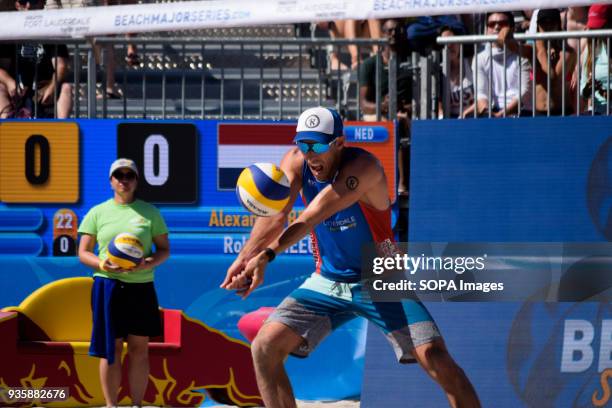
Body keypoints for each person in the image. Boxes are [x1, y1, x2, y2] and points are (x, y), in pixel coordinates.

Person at [221, 106, 481, 408]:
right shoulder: (296, 162)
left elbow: (311, 217)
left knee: (436, 357)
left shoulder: (364, 167)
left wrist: (266, 256)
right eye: (302, 144)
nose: (309, 154)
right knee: (264, 347)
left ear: (339, 143)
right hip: (328, 280)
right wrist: (245, 256)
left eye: (317, 145)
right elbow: (277, 216)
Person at [78, 158, 170, 408]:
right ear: (111, 181)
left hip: (141, 286)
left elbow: (164, 250)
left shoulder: (150, 212)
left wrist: (147, 263)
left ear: (136, 180)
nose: (124, 180)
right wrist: (102, 264)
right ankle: (111, 405)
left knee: (140, 350)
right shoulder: (97, 212)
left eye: (129, 175)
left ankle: (137, 404)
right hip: (107, 285)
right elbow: (83, 252)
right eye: (119, 175)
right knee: (111, 349)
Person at [358, 18, 411, 194]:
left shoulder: (412, 62)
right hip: (377, 114)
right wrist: (383, 106)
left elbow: (420, 98)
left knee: (401, 123)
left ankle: (403, 185)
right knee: (396, 124)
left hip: (405, 114)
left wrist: (406, 107)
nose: (393, 34)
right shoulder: (369, 65)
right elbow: (364, 105)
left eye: (396, 30)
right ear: (382, 34)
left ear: (403, 33)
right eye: (389, 31)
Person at [0, 0, 73, 118]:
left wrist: (52, 87)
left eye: (33, 1)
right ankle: (5, 130)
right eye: (24, 2)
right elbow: (2, 68)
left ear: (42, 4)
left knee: (66, 88)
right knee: (0, 88)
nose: (28, 6)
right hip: (17, 90)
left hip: (44, 89)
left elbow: (61, 66)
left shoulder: (51, 31)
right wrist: (9, 82)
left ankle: (62, 132)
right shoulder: (9, 31)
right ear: (17, 5)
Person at [463, 12, 532, 118]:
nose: (496, 27)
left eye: (502, 23)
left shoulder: (522, 53)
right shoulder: (479, 58)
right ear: (486, 30)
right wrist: (488, 112)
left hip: (522, 112)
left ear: (512, 28)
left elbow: (525, 92)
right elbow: (481, 93)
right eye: (491, 24)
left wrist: (501, 114)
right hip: (493, 111)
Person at [580, 4, 611, 115]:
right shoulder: (592, 48)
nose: (595, 31)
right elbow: (583, 92)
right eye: (592, 27)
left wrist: (607, 94)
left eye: (599, 27)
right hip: (596, 113)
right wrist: (588, 88)